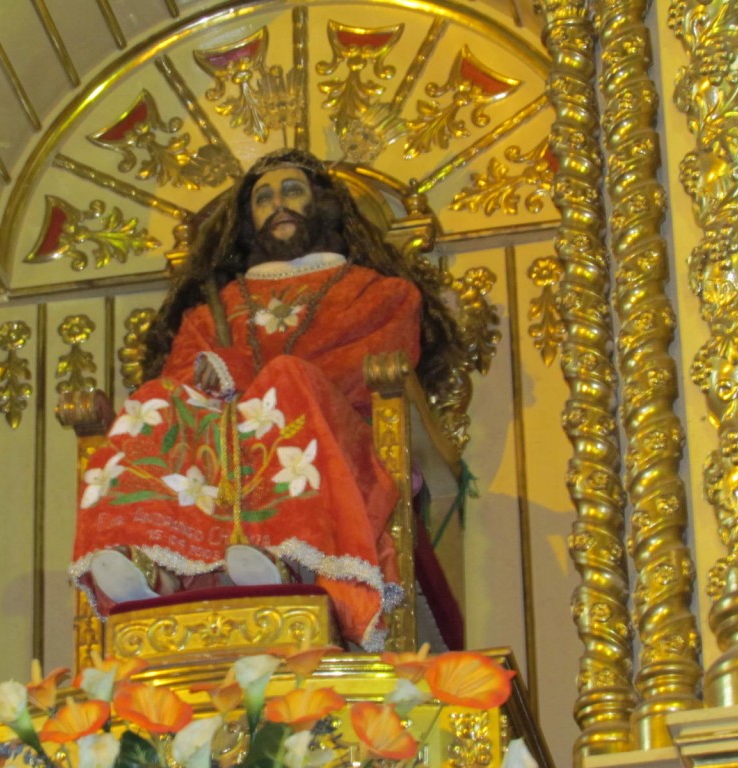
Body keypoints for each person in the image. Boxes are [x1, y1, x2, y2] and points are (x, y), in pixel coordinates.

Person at [70, 149, 459, 650]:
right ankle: (153, 562)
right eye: (263, 198)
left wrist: (247, 375)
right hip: (221, 453)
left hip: (336, 440)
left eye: (292, 191)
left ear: (324, 206)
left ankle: (286, 559)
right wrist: (215, 378)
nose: (278, 205)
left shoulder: (380, 295)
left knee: (288, 377)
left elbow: (361, 374)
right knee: (155, 397)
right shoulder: (212, 313)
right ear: (247, 221)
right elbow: (183, 381)